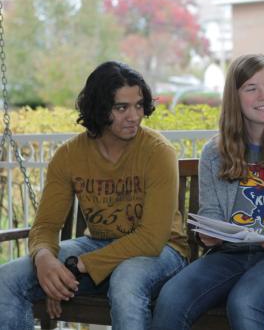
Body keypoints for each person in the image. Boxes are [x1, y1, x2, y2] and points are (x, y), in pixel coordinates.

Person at [0, 61, 189, 330]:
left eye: (138, 105)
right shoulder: (69, 156)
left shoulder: (158, 152)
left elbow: (151, 239)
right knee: (6, 279)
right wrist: (45, 260)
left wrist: (78, 267)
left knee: (126, 279)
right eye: (121, 108)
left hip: (162, 252)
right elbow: (46, 226)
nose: (134, 116)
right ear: (99, 109)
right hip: (99, 245)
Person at [150, 54, 264, 330]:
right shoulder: (214, 153)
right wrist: (208, 234)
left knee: (244, 301)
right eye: (251, 88)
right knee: (172, 296)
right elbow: (210, 211)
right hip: (230, 256)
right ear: (235, 97)